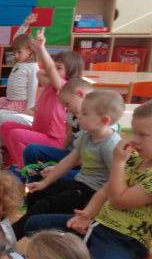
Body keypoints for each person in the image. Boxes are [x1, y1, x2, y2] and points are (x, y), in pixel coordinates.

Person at [24, 100, 152, 259]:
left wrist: (118, 163)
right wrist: (86, 215)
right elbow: (105, 190)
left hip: (126, 242)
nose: (134, 140)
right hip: (98, 226)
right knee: (36, 225)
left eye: (142, 135)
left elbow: (120, 199)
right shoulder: (136, 161)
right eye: (134, 132)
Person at [12, 90, 124, 240]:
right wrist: (45, 183)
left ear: (103, 121)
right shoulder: (87, 135)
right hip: (79, 184)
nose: (79, 115)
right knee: (37, 193)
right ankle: (34, 233)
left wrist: (94, 210)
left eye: (85, 113)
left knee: (45, 205)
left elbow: (116, 180)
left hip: (92, 194)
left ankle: (8, 239)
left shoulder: (111, 145)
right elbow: (69, 160)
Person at [0, 28, 83, 168]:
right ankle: (16, 163)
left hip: (54, 139)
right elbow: (40, 73)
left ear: (71, 72)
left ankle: (24, 169)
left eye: (59, 68)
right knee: (6, 126)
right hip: (39, 131)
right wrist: (53, 70)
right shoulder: (51, 84)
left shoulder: (64, 87)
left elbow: (48, 69)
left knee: (15, 135)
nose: (53, 70)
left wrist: (41, 48)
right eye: (54, 66)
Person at [0, 32, 39, 143]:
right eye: (14, 52)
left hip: (20, 105)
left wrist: (28, 110)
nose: (16, 55)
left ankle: (3, 142)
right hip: (9, 101)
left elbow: (32, 91)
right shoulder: (21, 62)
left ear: (30, 50)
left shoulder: (33, 67)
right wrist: (25, 25)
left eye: (19, 52)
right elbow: (17, 38)